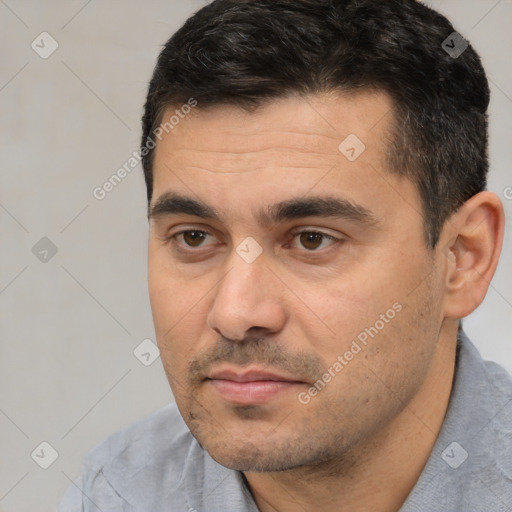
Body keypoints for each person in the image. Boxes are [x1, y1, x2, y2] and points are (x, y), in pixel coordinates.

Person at [59, 0, 512, 510]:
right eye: (194, 237)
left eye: (312, 239)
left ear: (462, 258)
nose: (234, 314)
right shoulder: (118, 493)